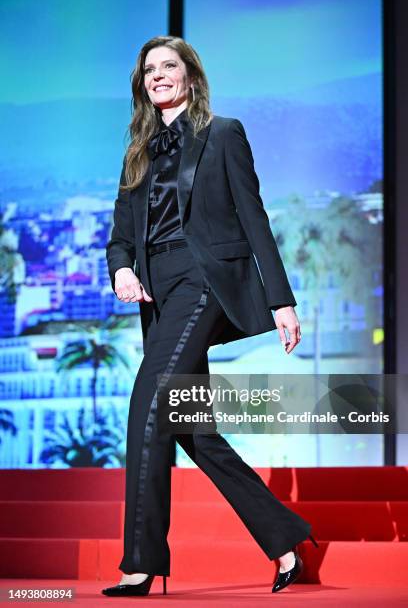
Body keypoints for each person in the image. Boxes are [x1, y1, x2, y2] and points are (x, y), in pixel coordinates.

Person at [102, 35, 318, 598]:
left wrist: (282, 299)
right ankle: (286, 537)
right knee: (193, 430)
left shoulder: (223, 134)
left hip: (203, 285)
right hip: (157, 296)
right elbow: (120, 237)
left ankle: (140, 563)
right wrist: (122, 270)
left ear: (190, 77)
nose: (157, 76)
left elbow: (254, 216)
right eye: (148, 70)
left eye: (168, 66)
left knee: (147, 405)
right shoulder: (138, 150)